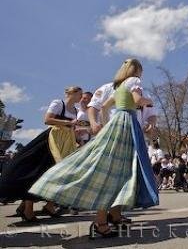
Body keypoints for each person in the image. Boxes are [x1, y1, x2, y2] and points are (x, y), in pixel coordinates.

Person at [29, 59, 159, 238]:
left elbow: (105, 107)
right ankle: (100, 221)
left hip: (115, 126)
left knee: (110, 173)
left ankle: (107, 218)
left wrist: (106, 124)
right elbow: (137, 100)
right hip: (126, 127)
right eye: (140, 71)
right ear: (136, 71)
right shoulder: (135, 82)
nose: (141, 74)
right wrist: (149, 101)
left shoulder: (119, 87)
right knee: (118, 174)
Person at [0, 86, 82, 222]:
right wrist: (68, 123)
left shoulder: (76, 110)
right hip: (50, 141)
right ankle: (28, 209)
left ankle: (46, 205)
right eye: (79, 94)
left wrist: (75, 132)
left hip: (65, 143)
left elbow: (71, 126)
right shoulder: (58, 103)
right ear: (72, 94)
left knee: (58, 173)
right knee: (38, 172)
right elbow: (48, 120)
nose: (81, 97)